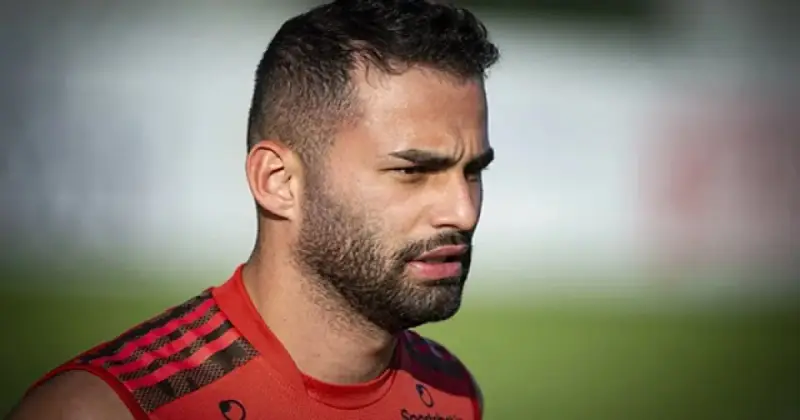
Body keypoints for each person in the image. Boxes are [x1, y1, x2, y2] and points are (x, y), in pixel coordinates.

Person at [7, 0, 499, 418]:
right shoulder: (106, 408)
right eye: (412, 171)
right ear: (277, 182)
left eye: (473, 171)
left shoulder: (453, 393)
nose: (463, 212)